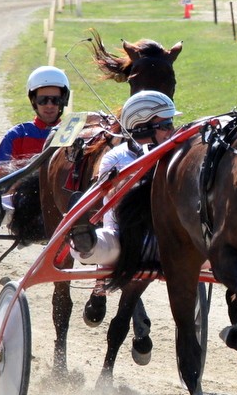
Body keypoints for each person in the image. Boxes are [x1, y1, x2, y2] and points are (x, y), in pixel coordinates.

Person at [68, 90, 180, 266]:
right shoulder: (115, 158)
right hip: (122, 236)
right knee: (86, 247)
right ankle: (85, 241)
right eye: (165, 125)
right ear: (142, 126)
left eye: (171, 123)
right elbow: (114, 201)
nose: (172, 130)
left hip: (168, 236)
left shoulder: (177, 155)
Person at [0, 66, 70, 231]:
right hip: (25, 203)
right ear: (33, 101)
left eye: (55, 100)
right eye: (43, 100)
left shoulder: (71, 133)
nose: (49, 105)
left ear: (63, 101)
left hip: (61, 202)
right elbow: (2, 175)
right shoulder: (17, 134)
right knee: (7, 191)